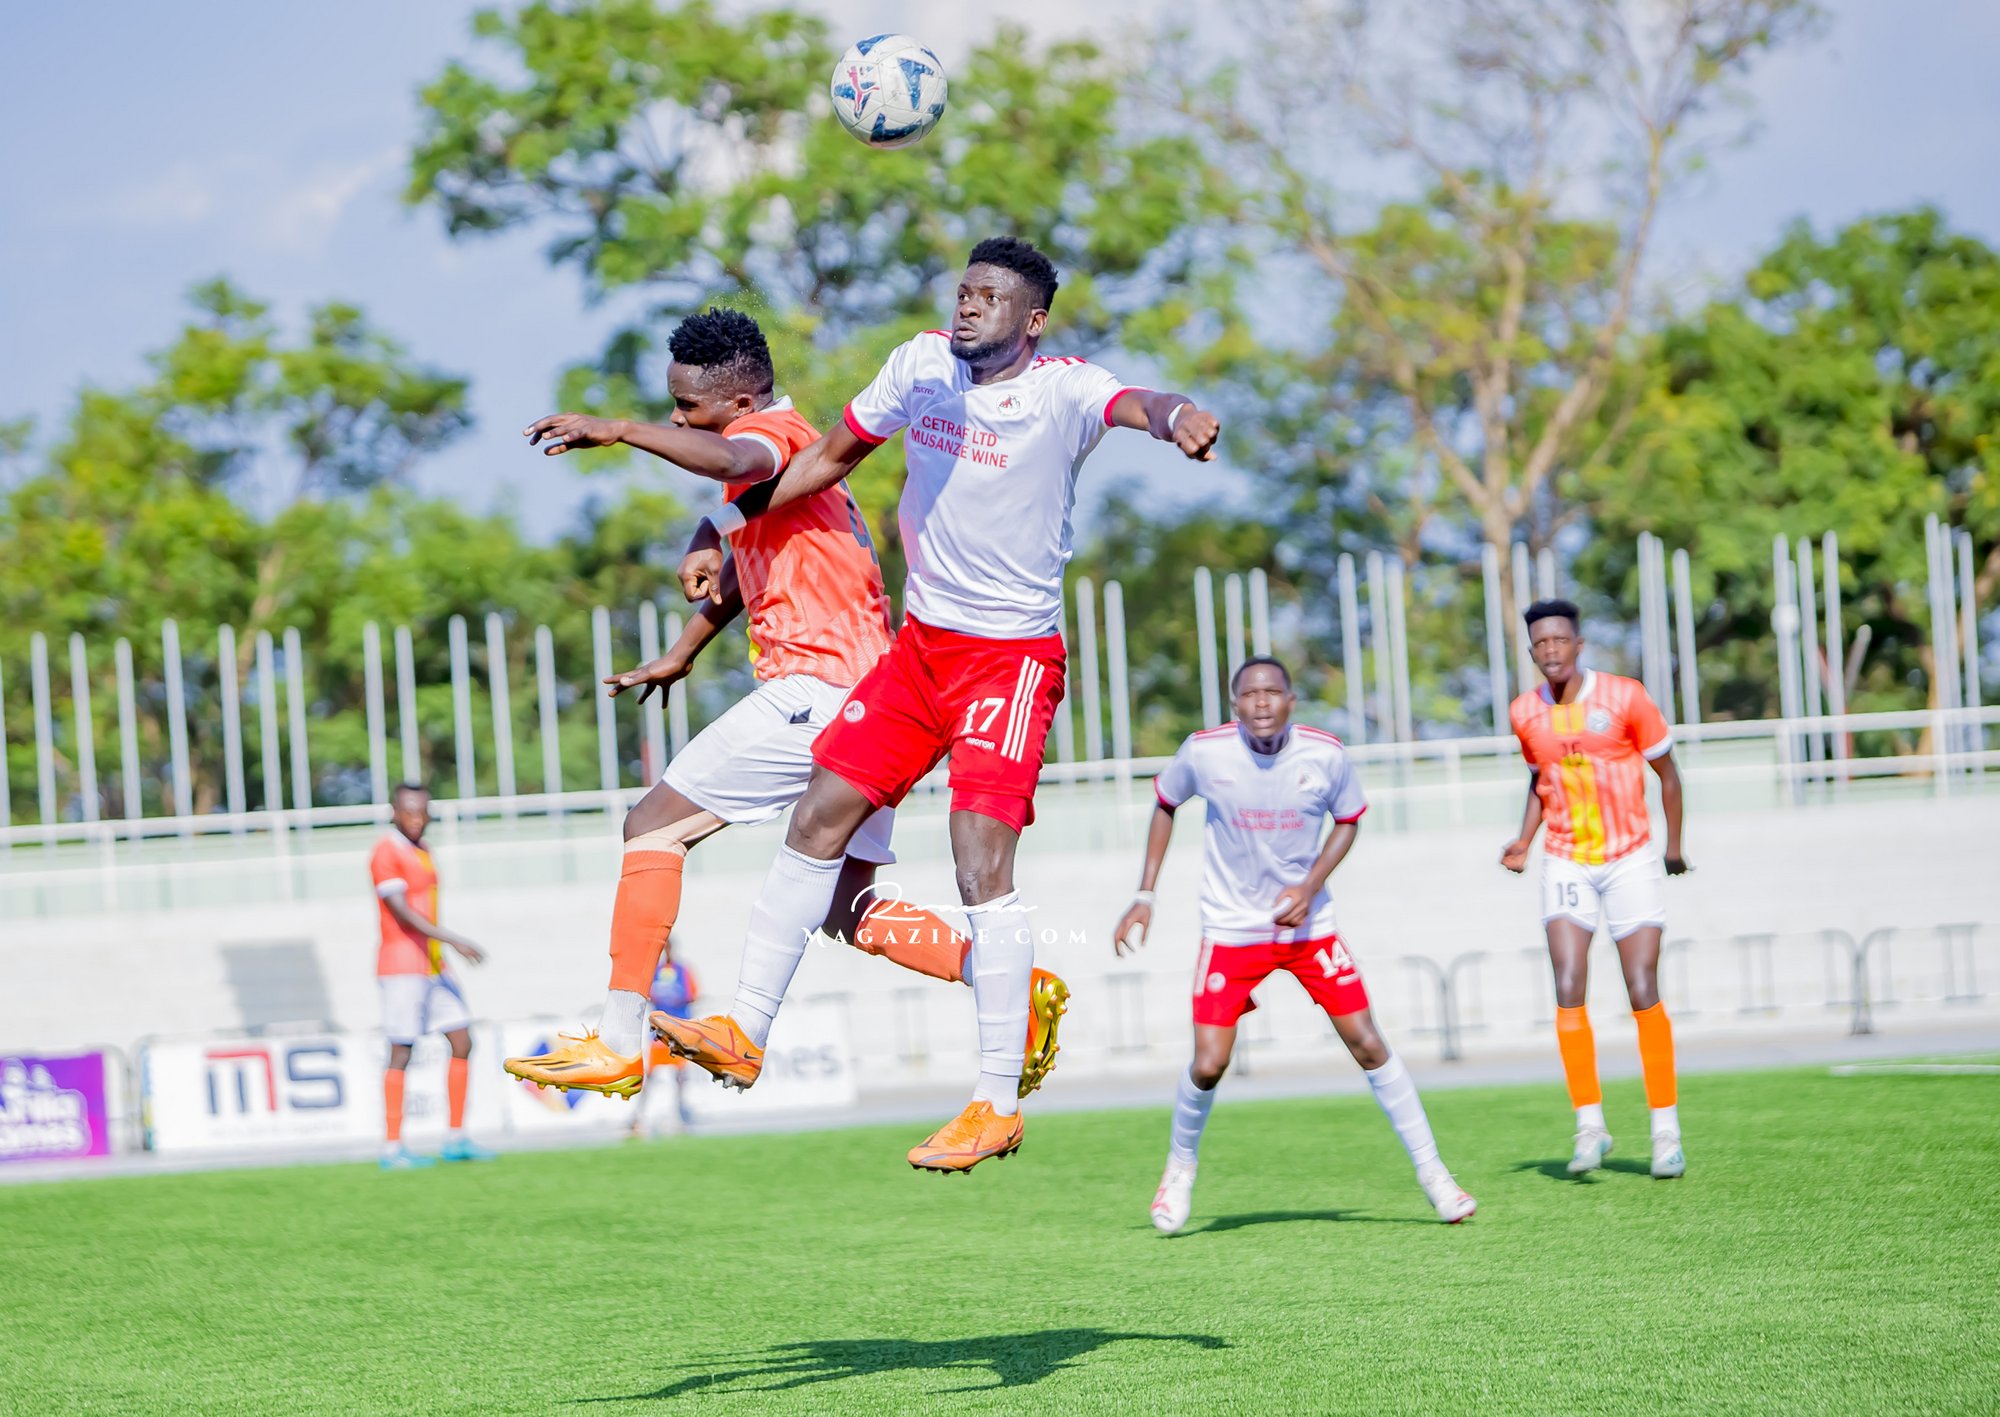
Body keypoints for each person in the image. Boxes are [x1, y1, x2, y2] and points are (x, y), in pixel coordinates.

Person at [657, 237, 1224, 1172]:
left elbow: (1136, 403)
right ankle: (745, 1031)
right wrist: (722, 525)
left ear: (1031, 320)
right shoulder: (920, 366)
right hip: (921, 651)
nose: (966, 305)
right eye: (963, 291)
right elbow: (826, 459)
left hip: (1009, 661)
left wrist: (1179, 417)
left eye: (989, 296)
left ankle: (995, 1102)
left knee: (977, 863)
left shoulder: (1064, 390)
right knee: (818, 816)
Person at [502, 308, 1067, 1104]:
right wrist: (684, 649)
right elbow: (752, 553)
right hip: (877, 700)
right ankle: (1009, 981)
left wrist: (621, 429)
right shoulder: (788, 462)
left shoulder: (768, 435)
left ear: (738, 402)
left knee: (651, 826)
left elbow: (737, 456)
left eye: (686, 407)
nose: (676, 419)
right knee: (849, 907)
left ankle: (618, 1040)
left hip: (818, 689)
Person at [1112, 658, 1477, 1232]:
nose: (1261, 702)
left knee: (1368, 1043)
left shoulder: (1325, 754)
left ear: (1291, 700)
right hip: (1232, 929)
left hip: (1309, 930)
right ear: (1234, 705)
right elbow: (1164, 803)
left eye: (1272, 691)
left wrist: (1310, 886)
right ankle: (1178, 1171)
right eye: (1249, 693)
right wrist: (1144, 895)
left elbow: (1349, 819)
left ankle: (1436, 1176)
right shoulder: (1205, 752)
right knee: (1209, 1063)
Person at [1500, 598, 1690, 1179]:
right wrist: (1523, 841)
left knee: (1641, 987)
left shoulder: (1625, 697)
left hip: (1630, 857)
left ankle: (1665, 1132)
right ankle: (1590, 1124)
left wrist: (1674, 847)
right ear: (1532, 652)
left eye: (1559, 639)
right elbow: (1541, 779)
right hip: (1566, 860)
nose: (1550, 650)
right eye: (1540, 643)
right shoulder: (1524, 712)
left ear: (1579, 645)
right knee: (1567, 983)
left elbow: (1668, 774)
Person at [370, 783, 493, 1169]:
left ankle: (455, 1138)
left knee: (462, 1039)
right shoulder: (386, 851)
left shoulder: (422, 850)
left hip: (433, 964)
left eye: (422, 812)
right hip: (402, 965)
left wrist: (443, 947)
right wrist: (453, 939)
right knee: (402, 1050)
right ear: (394, 812)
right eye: (409, 811)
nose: (416, 819)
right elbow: (401, 911)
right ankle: (392, 1148)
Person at [628, 941, 698, 1140]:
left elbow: (692, 995)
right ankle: (639, 1117)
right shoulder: (655, 972)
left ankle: (680, 1115)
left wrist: (673, 996)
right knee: (650, 1076)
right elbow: (647, 995)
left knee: (680, 1076)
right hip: (659, 1034)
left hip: (679, 1032)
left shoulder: (682, 971)